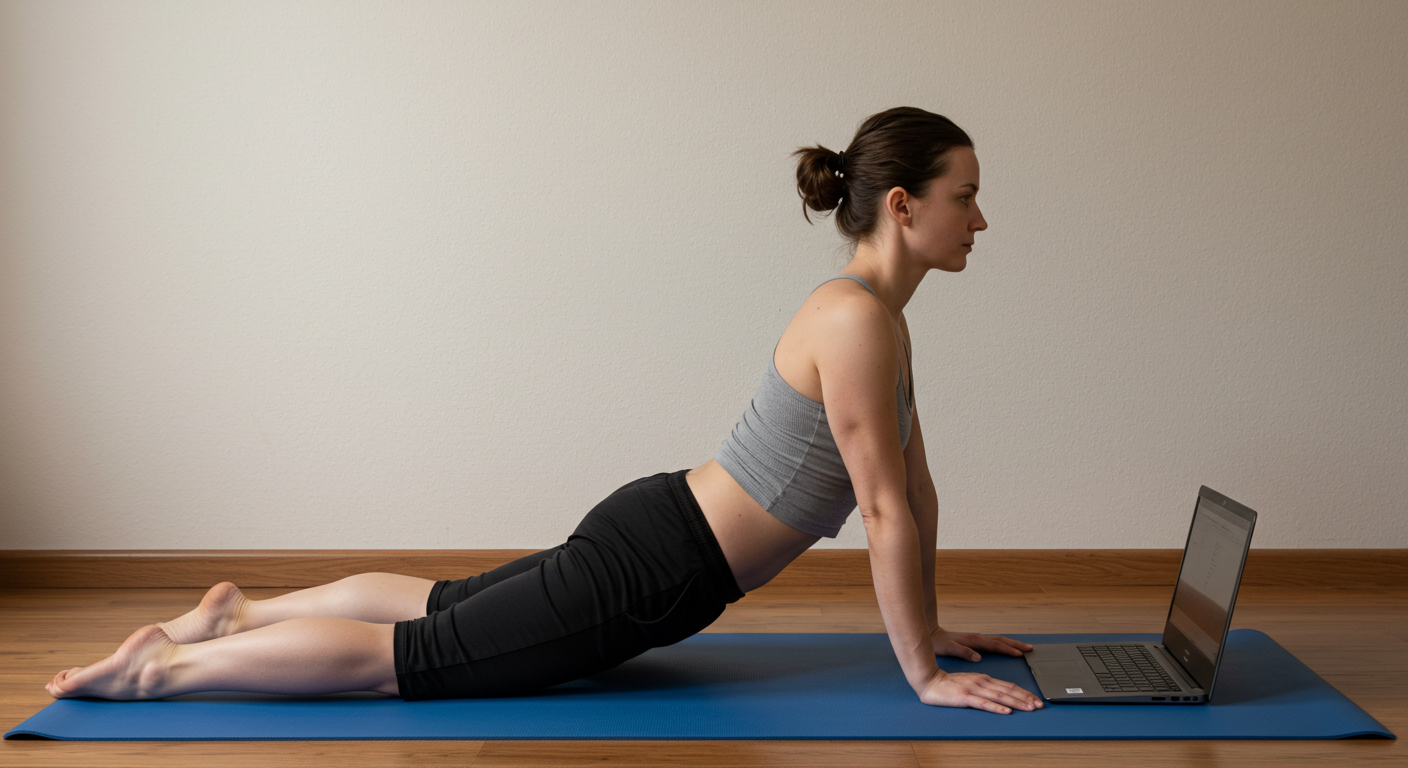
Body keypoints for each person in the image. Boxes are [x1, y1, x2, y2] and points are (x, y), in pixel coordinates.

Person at [46, 106, 1042, 714]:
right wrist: (919, 676)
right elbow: (881, 513)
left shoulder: (874, 318)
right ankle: (159, 676)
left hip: (659, 528)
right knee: (419, 660)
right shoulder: (857, 322)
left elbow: (915, 488)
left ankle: (240, 614)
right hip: (660, 565)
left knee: (445, 606)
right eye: (968, 195)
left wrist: (934, 626)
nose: (982, 218)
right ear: (904, 204)